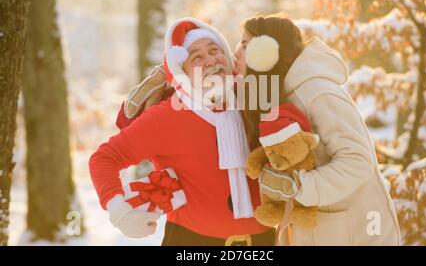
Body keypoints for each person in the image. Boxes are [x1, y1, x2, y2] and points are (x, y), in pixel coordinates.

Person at [89, 17, 274, 246]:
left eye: (214, 50)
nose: (210, 60)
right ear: (182, 72)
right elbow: (104, 158)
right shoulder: (167, 116)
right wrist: (119, 210)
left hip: (263, 243)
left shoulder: (254, 102)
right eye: (196, 57)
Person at [234, 14, 401, 245]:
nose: (236, 53)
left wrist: (298, 187)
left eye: (244, 45)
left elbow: (357, 161)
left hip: (357, 234)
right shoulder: (277, 95)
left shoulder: (318, 92)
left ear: (267, 52)